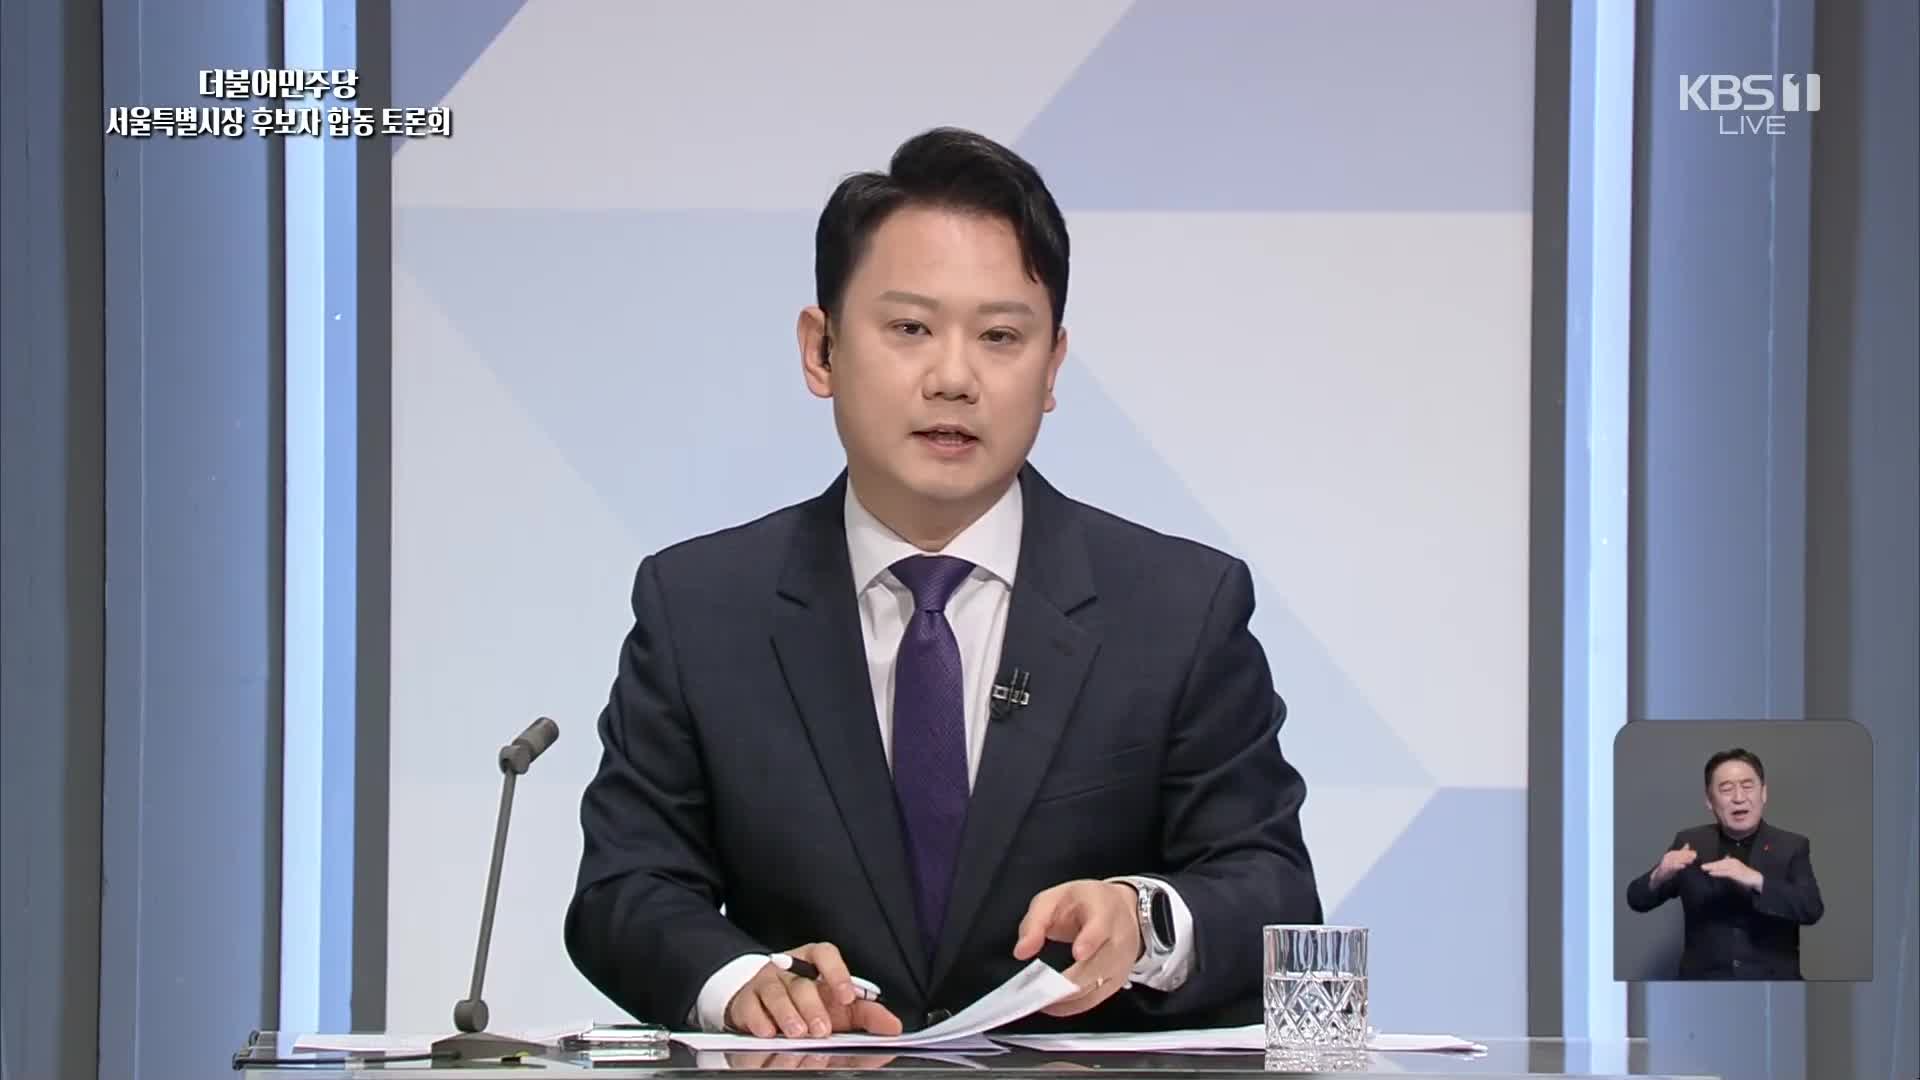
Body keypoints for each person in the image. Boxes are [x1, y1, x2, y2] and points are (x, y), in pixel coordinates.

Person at [563, 127, 1321, 1038]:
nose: (954, 378)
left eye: (1001, 336)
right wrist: (740, 982)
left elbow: (1271, 887)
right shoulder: (700, 607)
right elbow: (625, 887)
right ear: (821, 350)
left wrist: (1143, 919)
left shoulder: (1178, 607)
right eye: (911, 329)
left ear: (1052, 368)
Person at [1625, 747, 1824, 980]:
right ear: (1709, 800)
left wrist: (1757, 880)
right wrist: (1659, 875)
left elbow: (1811, 908)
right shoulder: (1690, 842)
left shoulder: (1791, 845)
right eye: (1726, 789)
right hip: (1704, 985)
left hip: (1772, 986)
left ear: (1763, 793)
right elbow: (1636, 900)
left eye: (1747, 786)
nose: (1739, 797)